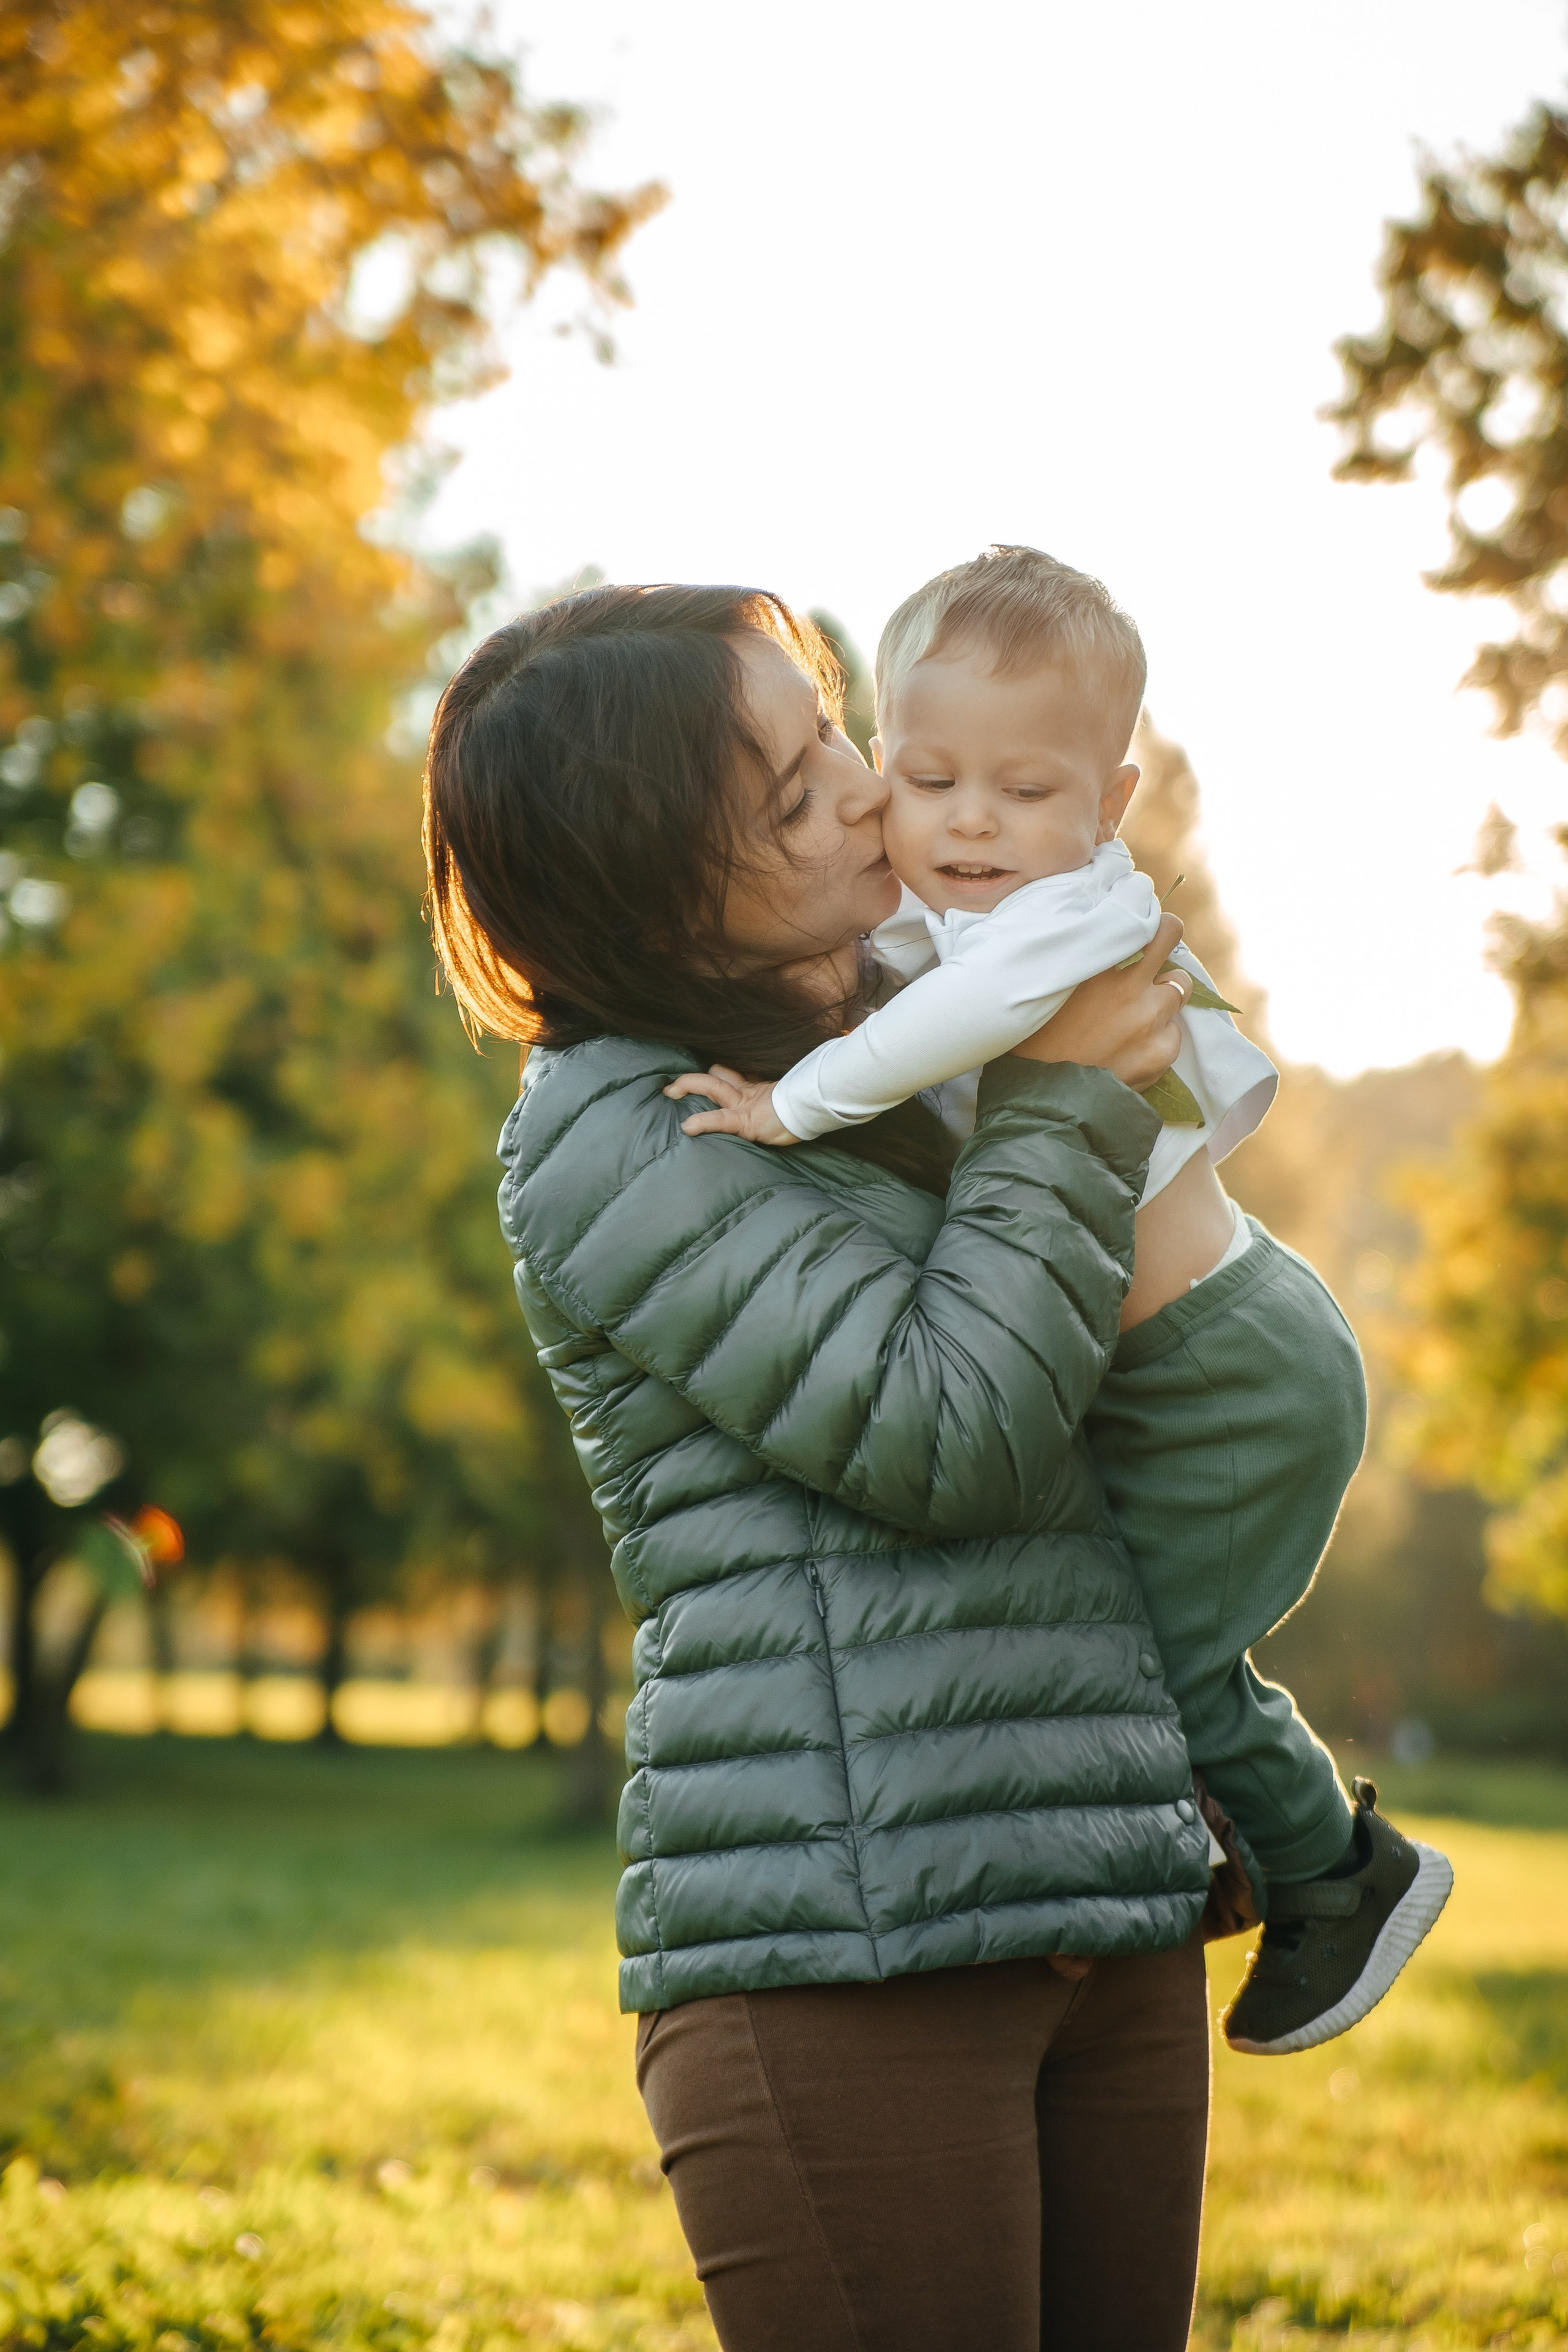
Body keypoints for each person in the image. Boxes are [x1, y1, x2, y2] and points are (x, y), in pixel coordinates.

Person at [424, 581, 1215, 2350]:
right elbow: (955, 1431)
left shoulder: (909, 1017)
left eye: (831, 732)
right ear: (645, 895)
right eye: (787, 800)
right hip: (846, 1943)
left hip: (1096, 1881)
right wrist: (1071, 1098)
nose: (868, 793)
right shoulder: (623, 1139)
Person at [669, 546, 1453, 2058]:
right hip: (1160, 1369)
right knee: (1124, 1637)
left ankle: (1338, 1875)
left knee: (1145, 1659)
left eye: (1024, 791)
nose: (968, 819)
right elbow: (883, 971)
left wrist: (791, 1106)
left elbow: (947, 1026)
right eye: (929, 774)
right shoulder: (952, 912)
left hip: (1230, 1369)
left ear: (1107, 806)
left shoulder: (1075, 919)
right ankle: (1243, 1848)